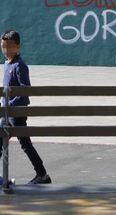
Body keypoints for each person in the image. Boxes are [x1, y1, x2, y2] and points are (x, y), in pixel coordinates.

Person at [0, 30, 52, 184]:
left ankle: (42, 174)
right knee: (23, 144)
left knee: (22, 143)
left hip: (16, 113)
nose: (6, 50)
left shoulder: (20, 65)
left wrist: (8, 104)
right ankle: (42, 174)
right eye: (3, 47)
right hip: (8, 113)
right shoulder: (7, 64)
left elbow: (25, 91)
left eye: (10, 47)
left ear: (18, 47)